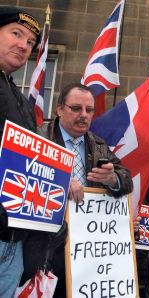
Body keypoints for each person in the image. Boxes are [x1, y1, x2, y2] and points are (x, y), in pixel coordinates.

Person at [21, 82, 134, 297]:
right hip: (42, 244)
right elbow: (21, 177)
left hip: (85, 248)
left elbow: (127, 180)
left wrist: (113, 178)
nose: (84, 115)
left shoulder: (98, 144)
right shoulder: (37, 137)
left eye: (89, 110)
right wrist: (61, 179)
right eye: (76, 108)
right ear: (60, 109)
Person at [0, 6, 41, 297]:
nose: (24, 46)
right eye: (16, 34)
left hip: (15, 238)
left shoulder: (21, 99)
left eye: (30, 43)